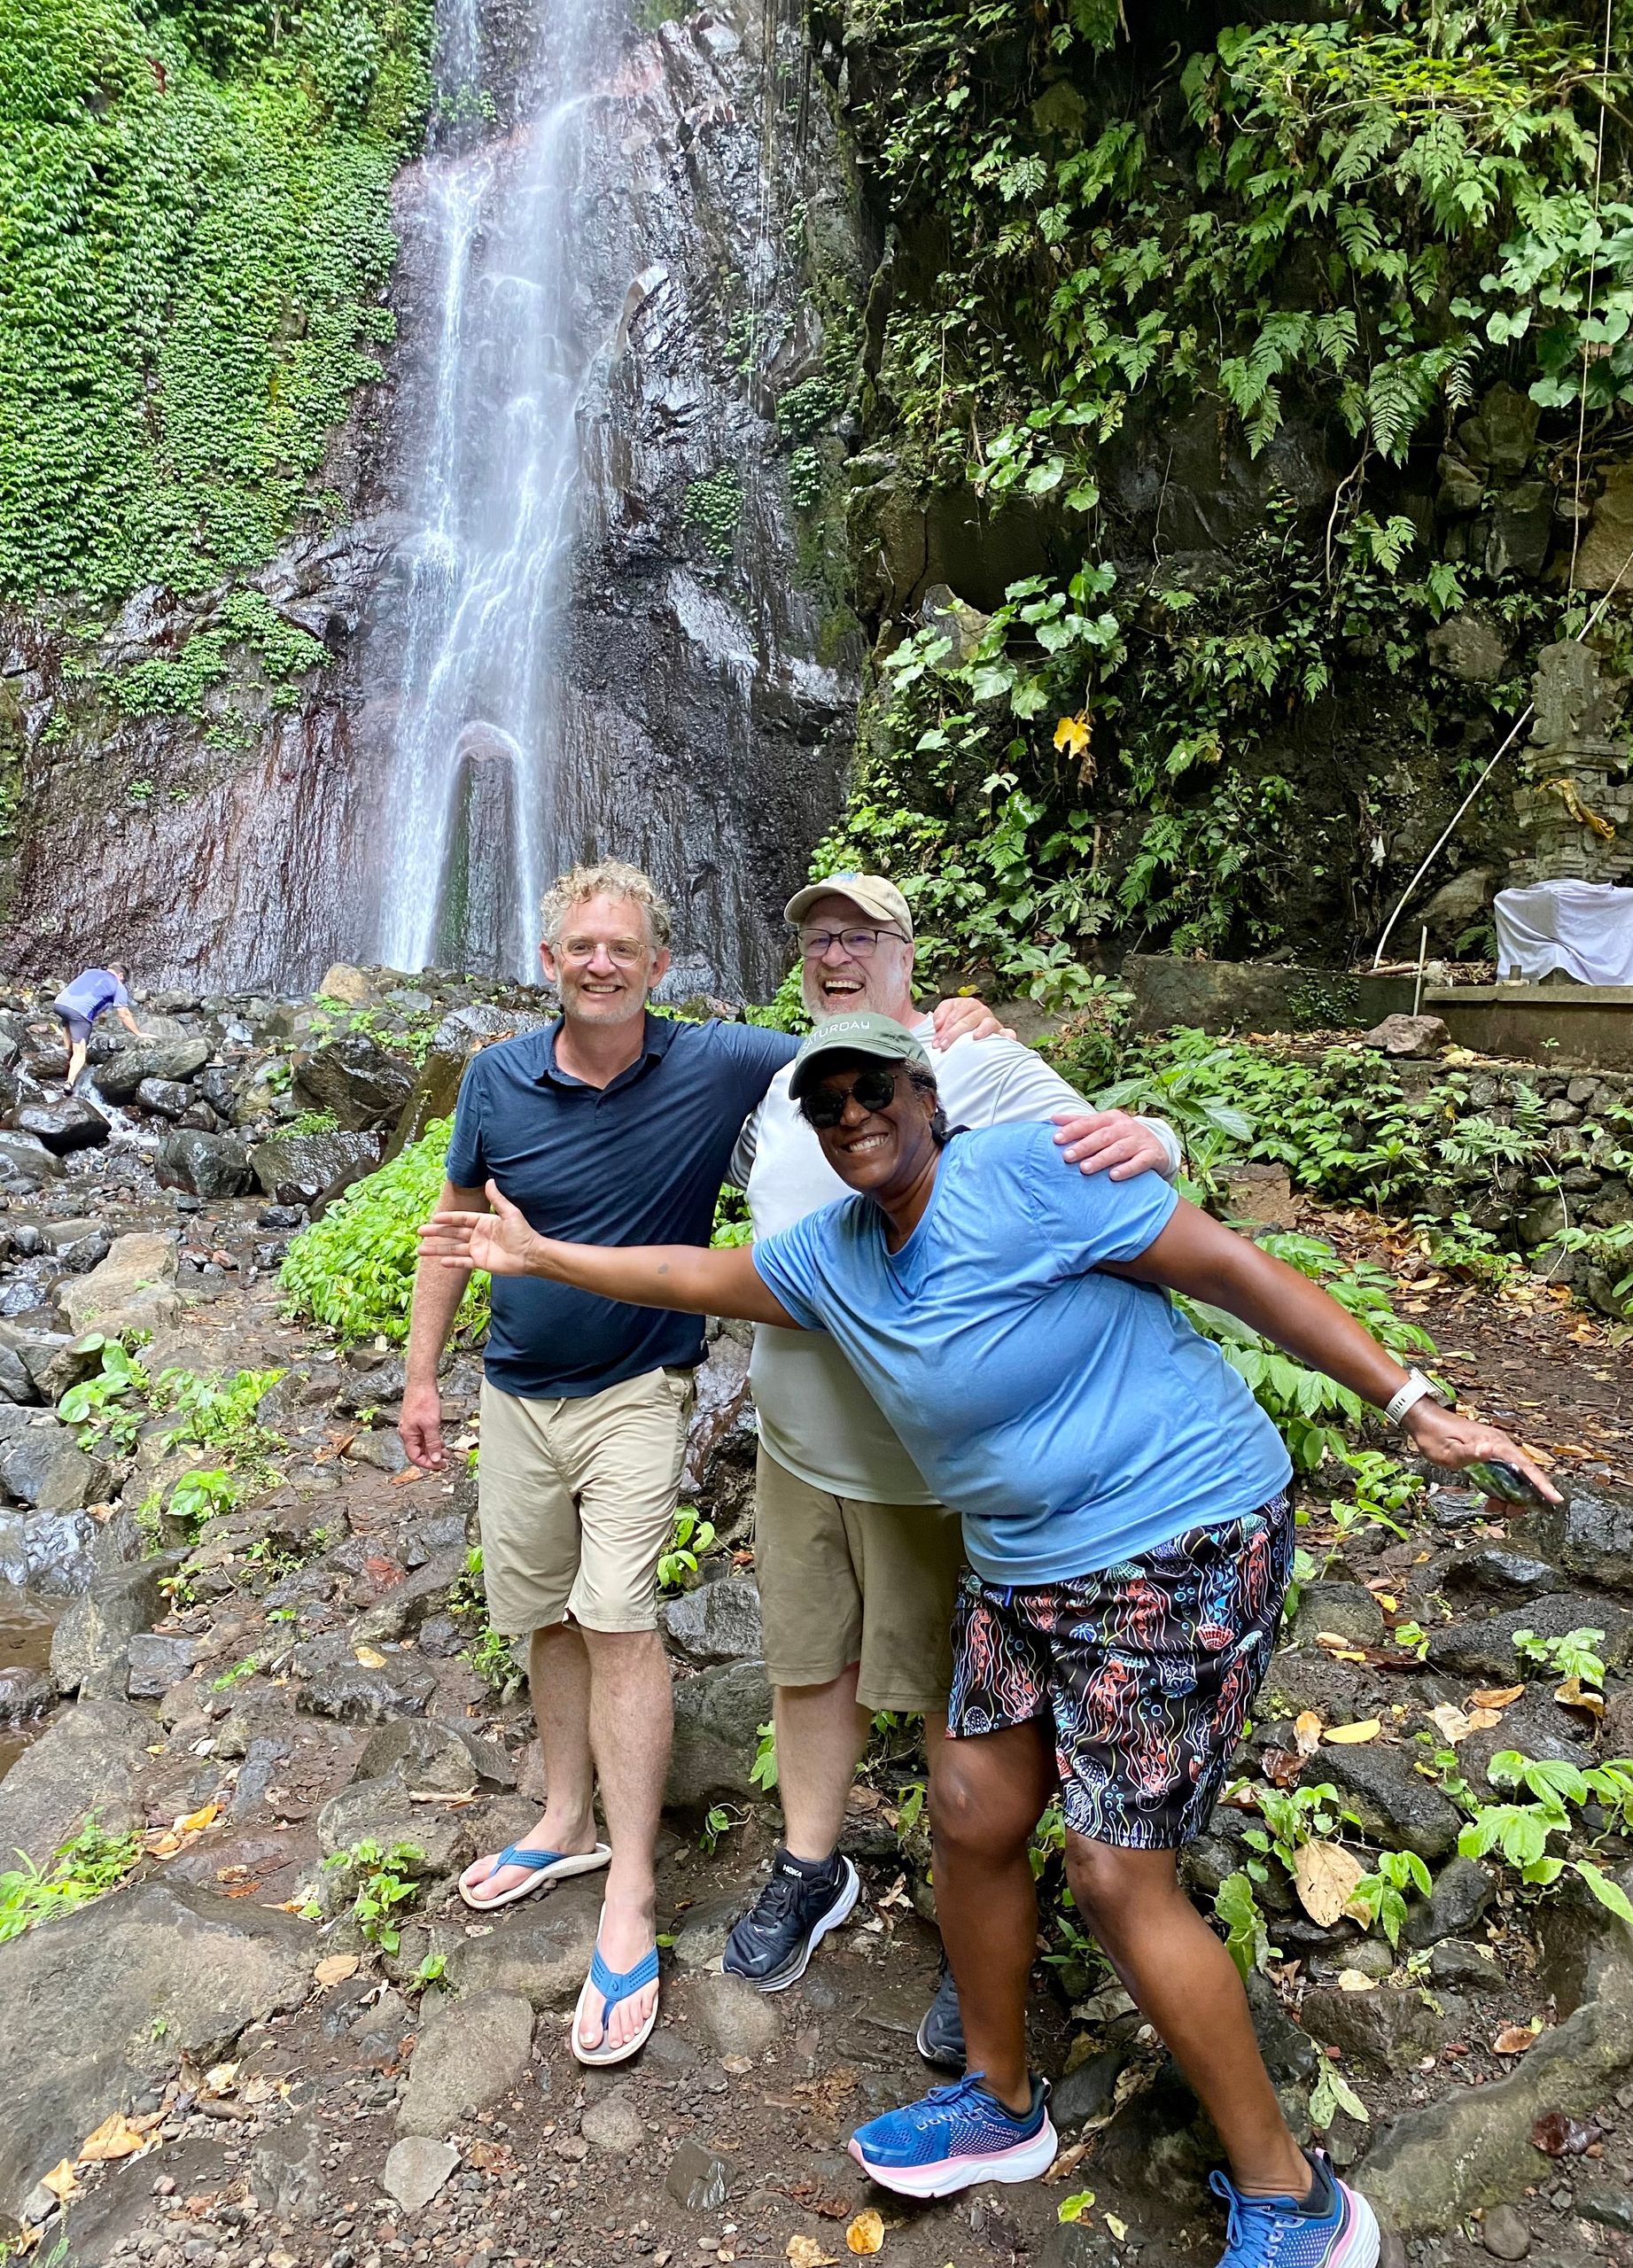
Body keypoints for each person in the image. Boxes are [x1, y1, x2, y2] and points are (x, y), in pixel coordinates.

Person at [418, 1009, 1556, 2268]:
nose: (852, 1116)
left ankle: (1297, 2198)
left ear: (925, 1094)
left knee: (1117, 1876)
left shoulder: (1027, 1173)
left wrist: (1412, 1404)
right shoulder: (835, 1257)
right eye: (826, 1103)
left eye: (873, 1092)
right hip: (1022, 1569)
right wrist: (542, 1252)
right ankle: (1002, 2103)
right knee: (964, 1809)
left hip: (1176, 1535)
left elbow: (1231, 1270)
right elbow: (691, 1276)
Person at [398, 861, 1013, 2065]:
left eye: (621, 948)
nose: (600, 964)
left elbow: (900, 1063)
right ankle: (578, 1820)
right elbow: (453, 1224)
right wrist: (422, 1376)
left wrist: (969, 1023)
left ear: (660, 966)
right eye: (580, 945)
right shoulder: (513, 1078)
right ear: (550, 959)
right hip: (549, 1397)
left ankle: (641, 1895)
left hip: (668, 1392)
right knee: (567, 1620)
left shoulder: (761, 1064)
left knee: (632, 1615)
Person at [723, 873, 1178, 2064]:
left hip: (921, 1461)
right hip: (796, 1445)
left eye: (859, 937)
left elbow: (1123, 1151)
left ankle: (964, 1932)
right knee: (808, 1662)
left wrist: (1163, 1135)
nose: (835, 956)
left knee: (948, 1700)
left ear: (907, 955)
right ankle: (810, 1869)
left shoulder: (968, 1063)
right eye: (819, 938)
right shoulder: (787, 1086)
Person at [52, 964, 140, 1092]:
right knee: (80, 1051)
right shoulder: (117, 985)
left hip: (59, 1003)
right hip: (79, 1013)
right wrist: (138, 1033)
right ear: (120, 975)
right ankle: (69, 1083)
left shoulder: (90, 972)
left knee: (68, 1021)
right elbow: (124, 1014)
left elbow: (89, 994)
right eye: (123, 981)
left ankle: (65, 1052)